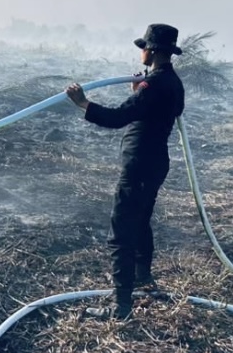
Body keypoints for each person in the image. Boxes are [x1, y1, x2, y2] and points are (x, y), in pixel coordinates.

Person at [65, 23, 186, 320]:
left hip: (140, 166)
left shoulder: (154, 84)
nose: (141, 52)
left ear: (154, 50)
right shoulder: (172, 81)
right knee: (141, 220)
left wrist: (84, 104)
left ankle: (121, 307)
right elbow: (169, 110)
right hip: (156, 163)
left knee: (121, 233)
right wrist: (140, 95)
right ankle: (143, 278)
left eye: (144, 47)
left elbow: (119, 118)